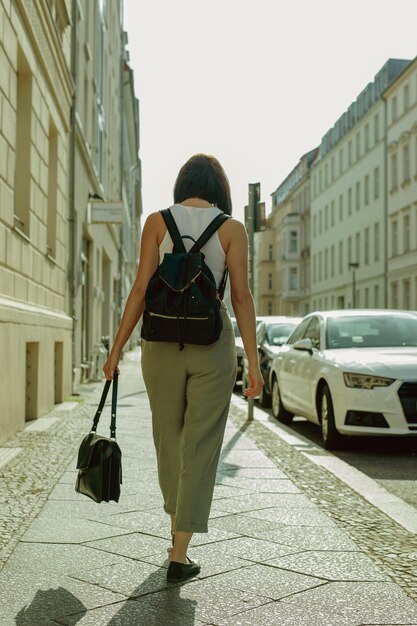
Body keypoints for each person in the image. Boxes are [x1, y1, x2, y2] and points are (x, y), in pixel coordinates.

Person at [103, 153, 263, 583]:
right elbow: (242, 298)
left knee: (167, 438)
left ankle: (175, 524)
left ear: (182, 184)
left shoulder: (157, 222)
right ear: (221, 190)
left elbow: (140, 288)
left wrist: (116, 349)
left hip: (159, 344)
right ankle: (180, 552)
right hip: (212, 344)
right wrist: (254, 362)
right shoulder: (231, 228)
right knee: (202, 446)